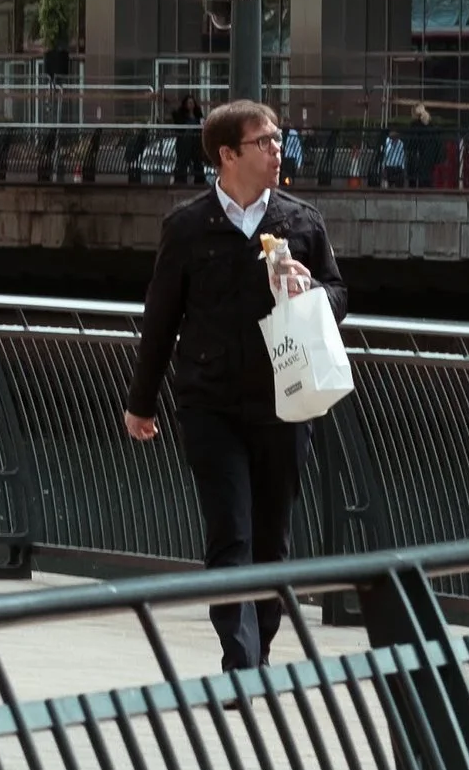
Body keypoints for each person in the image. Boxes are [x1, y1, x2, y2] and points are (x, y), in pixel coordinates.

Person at [122, 99, 348, 672]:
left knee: (272, 539)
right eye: (265, 141)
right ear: (228, 155)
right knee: (230, 533)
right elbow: (161, 317)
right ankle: (240, 659)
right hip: (210, 402)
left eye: (279, 139)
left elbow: (340, 295)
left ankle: (260, 647)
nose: (278, 150)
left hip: (285, 399)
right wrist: (141, 402)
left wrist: (311, 290)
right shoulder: (189, 226)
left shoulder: (300, 222)